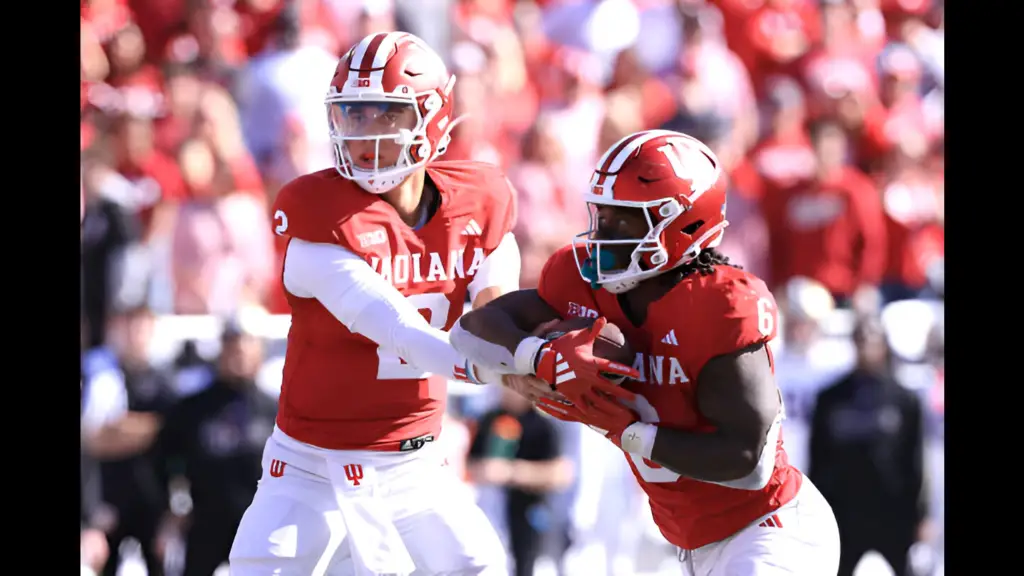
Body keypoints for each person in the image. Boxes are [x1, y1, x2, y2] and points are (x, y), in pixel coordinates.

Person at [449, 129, 841, 574]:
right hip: (695, 544)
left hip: (770, 527)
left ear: (684, 222)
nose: (604, 234)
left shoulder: (723, 305)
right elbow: (470, 331)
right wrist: (534, 357)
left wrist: (627, 431)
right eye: (603, 215)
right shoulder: (581, 280)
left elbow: (748, 461)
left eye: (625, 220)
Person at [228, 31, 523, 576]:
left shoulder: (478, 201)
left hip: (417, 465)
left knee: (479, 565)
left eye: (384, 113)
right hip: (312, 468)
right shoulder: (318, 214)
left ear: (431, 117)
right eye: (353, 114)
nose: (364, 133)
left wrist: (528, 349)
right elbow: (401, 331)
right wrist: (510, 367)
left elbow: (496, 311)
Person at [809, 315, 930, 576]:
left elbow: (916, 461)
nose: (866, 346)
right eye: (861, 339)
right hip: (844, 512)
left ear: (884, 345)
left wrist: (921, 515)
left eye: (872, 340)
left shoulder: (905, 400)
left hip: (892, 512)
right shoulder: (830, 398)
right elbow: (817, 459)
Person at [467, 387, 574, 576]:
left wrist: (512, 472)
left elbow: (561, 473)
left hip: (528, 512)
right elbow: (469, 462)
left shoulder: (543, 424)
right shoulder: (489, 419)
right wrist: (483, 470)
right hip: (489, 509)